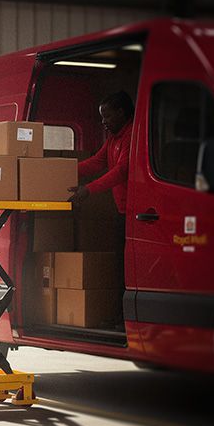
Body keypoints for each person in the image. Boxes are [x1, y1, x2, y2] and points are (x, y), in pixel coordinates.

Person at [67, 90, 134, 291]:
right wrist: (63, 172)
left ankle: (121, 317)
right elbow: (97, 162)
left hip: (135, 214)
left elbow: (121, 171)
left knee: (124, 264)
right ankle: (117, 315)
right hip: (121, 211)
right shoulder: (114, 138)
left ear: (121, 113)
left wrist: (88, 189)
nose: (103, 122)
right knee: (119, 262)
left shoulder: (132, 135)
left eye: (107, 116)